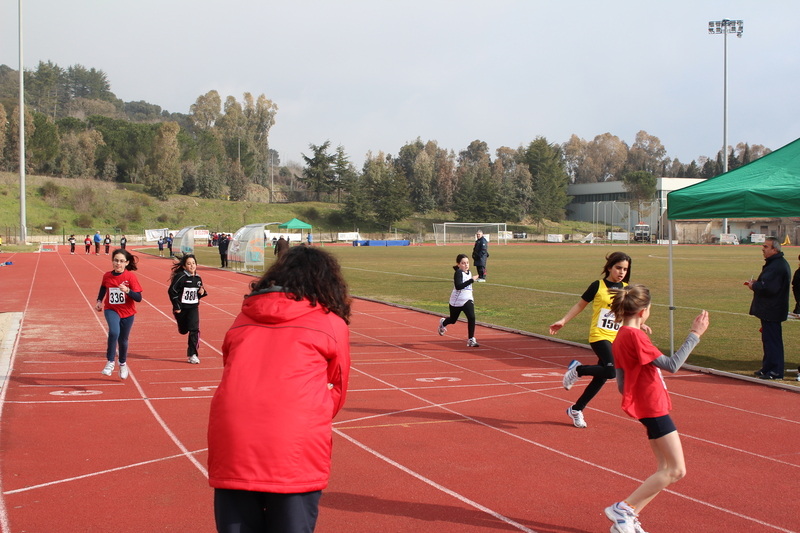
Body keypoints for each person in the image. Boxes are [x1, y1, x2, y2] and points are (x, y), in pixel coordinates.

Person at [207, 245, 351, 533]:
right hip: (294, 446)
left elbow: (230, 368)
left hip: (234, 440)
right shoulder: (331, 323)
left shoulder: (243, 318)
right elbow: (336, 385)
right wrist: (309, 416)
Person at [603, 284, 708, 533]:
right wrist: (695, 333)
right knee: (677, 470)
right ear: (643, 311)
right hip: (653, 407)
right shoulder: (636, 337)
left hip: (647, 407)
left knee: (664, 469)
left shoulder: (621, 336)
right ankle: (623, 508)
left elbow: (621, 381)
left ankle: (628, 518)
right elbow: (672, 364)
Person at [550, 252, 648, 428]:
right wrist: (563, 321)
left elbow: (631, 314)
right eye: (618, 267)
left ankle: (576, 409)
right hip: (599, 335)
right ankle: (578, 369)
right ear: (609, 267)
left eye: (625, 269)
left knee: (601, 376)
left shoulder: (627, 289)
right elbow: (580, 304)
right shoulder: (598, 285)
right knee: (610, 372)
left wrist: (641, 324)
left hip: (618, 338)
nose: (622, 272)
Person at [745, 236, 791, 380]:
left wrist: (754, 285)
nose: (763, 249)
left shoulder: (777, 266)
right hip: (770, 308)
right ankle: (767, 367)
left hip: (773, 309)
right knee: (768, 340)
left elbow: (769, 288)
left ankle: (776, 370)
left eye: (766, 247)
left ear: (775, 249)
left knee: (773, 340)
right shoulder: (774, 264)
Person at [94, 249, 143, 380]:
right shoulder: (107, 275)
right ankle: (110, 362)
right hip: (111, 310)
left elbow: (138, 298)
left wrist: (127, 290)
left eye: (121, 261)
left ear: (126, 263)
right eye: (116, 260)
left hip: (128, 312)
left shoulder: (130, 277)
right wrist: (99, 301)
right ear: (112, 261)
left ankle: (122, 363)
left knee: (123, 340)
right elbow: (103, 287)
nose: (118, 264)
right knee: (114, 332)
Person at [168, 254, 207, 364]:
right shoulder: (180, 277)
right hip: (182, 308)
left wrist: (202, 292)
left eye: (193, 263)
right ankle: (180, 323)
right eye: (189, 264)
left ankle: (193, 354)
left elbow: (199, 291)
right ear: (184, 266)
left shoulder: (198, 278)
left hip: (193, 307)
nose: (192, 266)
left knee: (194, 329)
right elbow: (172, 291)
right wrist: (177, 306)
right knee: (184, 330)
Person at [437, 253, 481, 347]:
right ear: (458, 264)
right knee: (453, 320)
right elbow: (458, 286)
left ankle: (471, 340)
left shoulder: (469, 272)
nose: (466, 265)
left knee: (472, 317)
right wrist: (471, 280)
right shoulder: (458, 273)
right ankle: (443, 324)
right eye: (463, 263)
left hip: (467, 299)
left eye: (467, 263)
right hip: (456, 301)